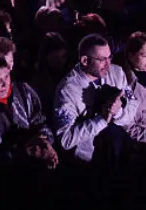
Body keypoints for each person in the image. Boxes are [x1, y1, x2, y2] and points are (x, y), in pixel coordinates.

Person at [53, 33, 139, 164]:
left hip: (120, 151)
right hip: (89, 161)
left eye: (109, 57)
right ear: (85, 60)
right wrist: (102, 119)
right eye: (102, 60)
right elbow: (65, 139)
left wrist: (118, 112)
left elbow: (133, 103)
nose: (108, 64)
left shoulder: (117, 73)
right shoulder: (67, 90)